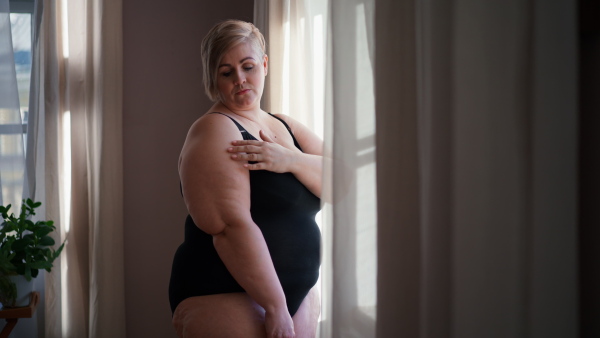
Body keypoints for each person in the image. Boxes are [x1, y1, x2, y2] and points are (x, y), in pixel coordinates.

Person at [169, 20, 323, 338]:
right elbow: (229, 226)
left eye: (248, 66)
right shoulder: (216, 128)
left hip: (294, 298)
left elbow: (345, 180)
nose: (240, 79)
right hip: (227, 296)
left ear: (264, 65)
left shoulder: (284, 124)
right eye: (227, 72)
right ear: (215, 78)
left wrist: (290, 159)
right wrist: (276, 307)